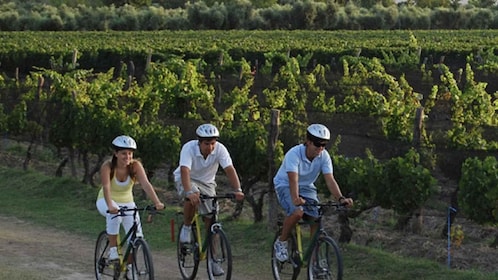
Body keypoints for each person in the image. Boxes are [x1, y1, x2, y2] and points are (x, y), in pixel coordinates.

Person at [273, 124, 354, 262]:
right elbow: (293, 179)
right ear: (308, 141)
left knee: (316, 219)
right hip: (285, 184)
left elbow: (330, 180)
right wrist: (295, 198)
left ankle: (314, 259)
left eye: (324, 145)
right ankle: (282, 241)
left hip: (307, 187)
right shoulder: (294, 153)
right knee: (297, 212)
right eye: (318, 144)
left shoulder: (324, 156)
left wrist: (340, 198)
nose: (321, 148)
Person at [174, 123, 244, 276]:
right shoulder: (189, 148)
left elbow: (229, 169)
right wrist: (188, 192)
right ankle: (186, 228)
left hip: (207, 183)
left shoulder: (220, 149)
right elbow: (185, 170)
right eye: (207, 143)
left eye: (213, 143)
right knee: (193, 196)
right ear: (199, 142)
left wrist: (237, 189)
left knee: (212, 221)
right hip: (186, 178)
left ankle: (214, 260)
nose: (210, 147)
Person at [96, 135, 165, 279]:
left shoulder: (135, 166)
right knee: (115, 215)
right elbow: (106, 187)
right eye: (123, 153)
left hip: (128, 202)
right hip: (106, 200)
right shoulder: (107, 166)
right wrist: (110, 205)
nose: (127, 156)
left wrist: (157, 202)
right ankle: (114, 250)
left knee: (137, 237)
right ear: (116, 153)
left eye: (130, 153)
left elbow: (146, 184)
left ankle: (130, 268)